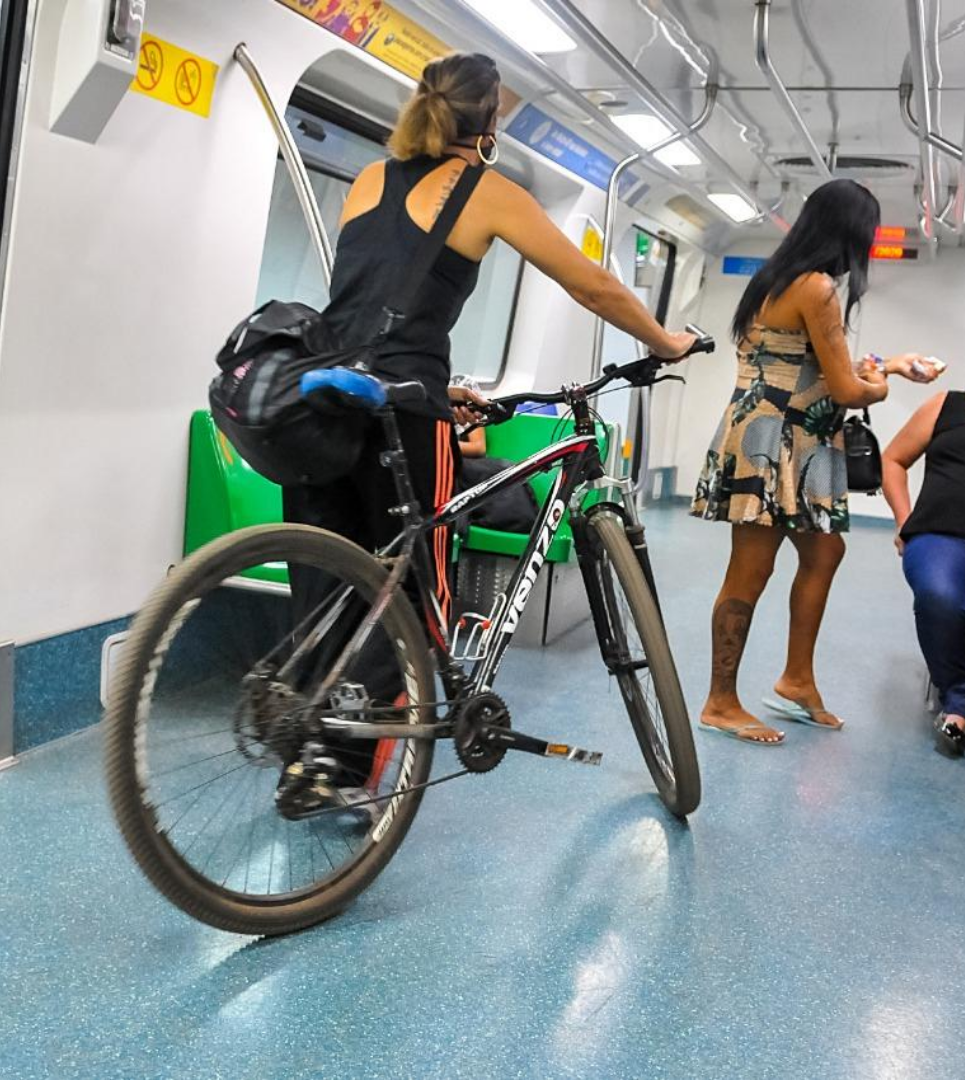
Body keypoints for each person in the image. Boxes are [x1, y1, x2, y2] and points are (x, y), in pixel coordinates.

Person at [278, 51, 698, 812]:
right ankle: (351, 770)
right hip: (400, 417)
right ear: (491, 121)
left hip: (328, 397)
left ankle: (309, 755)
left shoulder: (371, 179)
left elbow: (370, 301)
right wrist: (665, 342)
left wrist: (448, 385)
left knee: (329, 581)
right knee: (411, 588)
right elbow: (591, 283)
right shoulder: (486, 190)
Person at [691, 180, 937, 745]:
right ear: (851, 233)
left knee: (825, 549)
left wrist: (888, 365)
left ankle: (796, 680)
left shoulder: (779, 278)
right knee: (750, 569)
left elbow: (818, 364)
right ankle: (720, 701)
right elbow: (849, 389)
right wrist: (882, 384)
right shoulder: (818, 287)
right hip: (777, 442)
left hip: (788, 435)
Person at [883, 389, 965, 757]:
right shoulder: (947, 405)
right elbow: (893, 460)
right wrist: (905, 521)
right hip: (938, 534)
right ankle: (959, 702)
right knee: (939, 595)